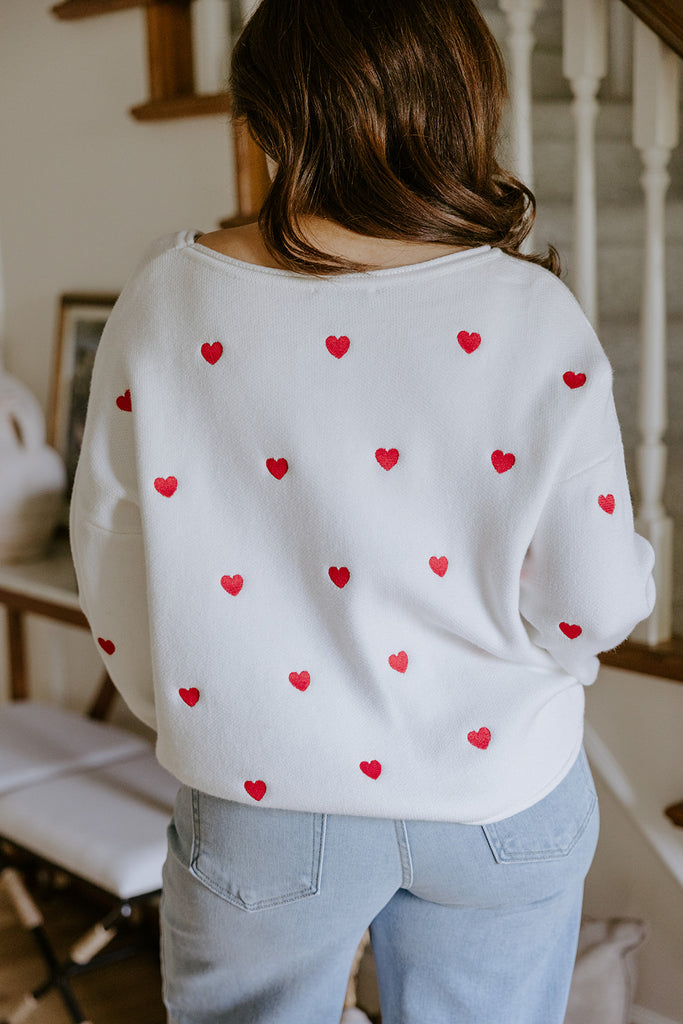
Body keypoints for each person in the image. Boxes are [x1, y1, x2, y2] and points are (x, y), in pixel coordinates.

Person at [69, 1, 656, 1021]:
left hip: (261, 797)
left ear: (264, 114)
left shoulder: (168, 300)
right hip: (497, 787)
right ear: (467, 102)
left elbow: (113, 558)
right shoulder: (530, 315)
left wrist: (210, 716)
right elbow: (595, 601)